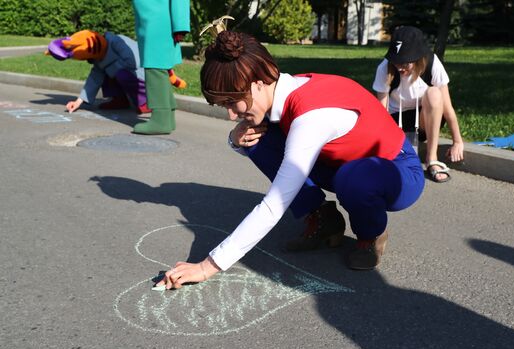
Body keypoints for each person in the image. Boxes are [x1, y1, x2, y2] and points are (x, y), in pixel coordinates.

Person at [155, 30, 425, 290]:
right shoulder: (284, 90)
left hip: (398, 171)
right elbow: (259, 142)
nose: (231, 115)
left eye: (231, 103)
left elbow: (274, 205)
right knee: (258, 139)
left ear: (257, 84)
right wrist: (234, 140)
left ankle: (371, 235)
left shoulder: (310, 118)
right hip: (344, 163)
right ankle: (323, 218)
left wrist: (206, 266)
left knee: (352, 180)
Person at [372, 25, 464, 183]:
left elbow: (447, 108)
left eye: (405, 63)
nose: (400, 67)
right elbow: (381, 112)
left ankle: (431, 159)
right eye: (396, 62)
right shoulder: (385, 68)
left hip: (423, 122)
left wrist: (457, 141)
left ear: (417, 57)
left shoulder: (432, 64)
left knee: (434, 93)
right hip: (395, 123)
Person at [46, 30, 150, 114]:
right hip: (127, 71)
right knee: (107, 72)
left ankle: (146, 102)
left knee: (119, 72)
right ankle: (119, 99)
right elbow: (94, 80)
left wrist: (112, 67)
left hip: (143, 72)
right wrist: (78, 101)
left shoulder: (116, 41)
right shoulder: (99, 59)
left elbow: (133, 62)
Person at [131, 0, 190, 135]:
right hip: (152, 20)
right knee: (158, 68)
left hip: (158, 21)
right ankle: (167, 117)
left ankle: (160, 120)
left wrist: (180, 26)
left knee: (155, 68)